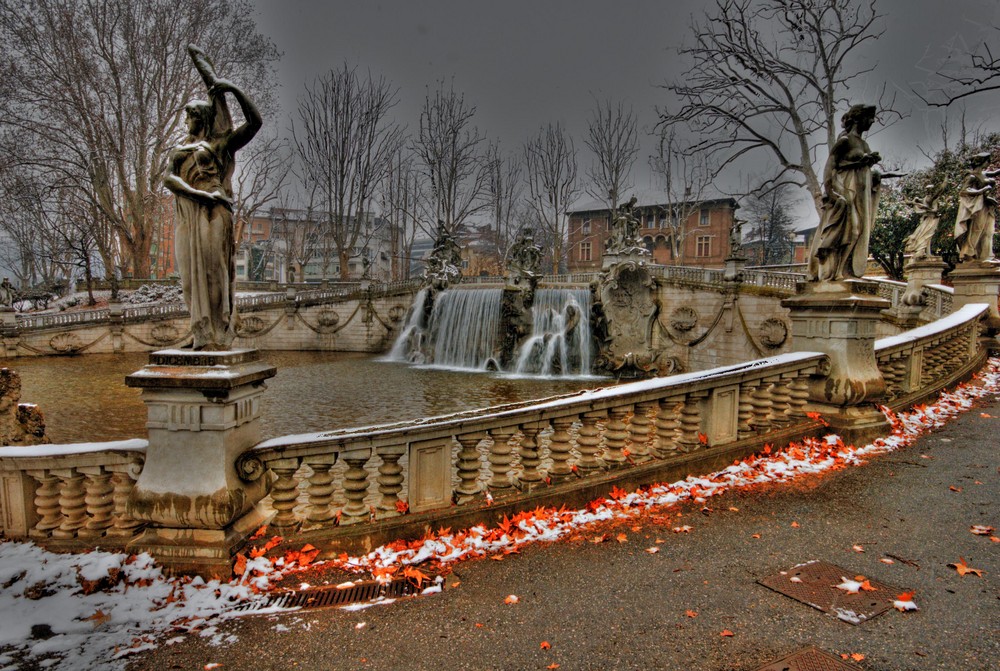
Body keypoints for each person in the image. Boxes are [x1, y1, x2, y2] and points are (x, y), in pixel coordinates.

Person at [164, 45, 261, 350]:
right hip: (190, 212)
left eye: (191, 116)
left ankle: (218, 332)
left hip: (214, 211)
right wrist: (194, 193)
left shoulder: (220, 146)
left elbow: (255, 122)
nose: (186, 122)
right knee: (190, 276)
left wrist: (232, 89)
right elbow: (169, 179)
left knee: (213, 271)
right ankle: (200, 333)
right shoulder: (180, 151)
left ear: (202, 118)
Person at [808, 104, 890, 282]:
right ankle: (834, 272)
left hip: (859, 196)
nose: (872, 121)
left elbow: (862, 170)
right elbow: (830, 167)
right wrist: (831, 193)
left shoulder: (864, 144)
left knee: (858, 231)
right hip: (844, 191)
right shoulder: (845, 140)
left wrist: (873, 174)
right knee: (850, 231)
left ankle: (844, 271)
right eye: (869, 117)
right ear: (858, 118)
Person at [954, 152, 1000, 263]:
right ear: (981, 162)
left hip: (987, 205)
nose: (989, 163)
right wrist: (982, 191)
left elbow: (996, 172)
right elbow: (964, 191)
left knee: (988, 231)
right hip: (977, 207)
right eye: (988, 160)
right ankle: (968, 253)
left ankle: (986, 256)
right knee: (977, 229)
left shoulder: (984, 174)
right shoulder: (972, 176)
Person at [904, 180, 947, 261]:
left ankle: (928, 253)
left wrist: (925, 208)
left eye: (930, 189)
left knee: (927, 236)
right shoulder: (925, 198)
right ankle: (925, 252)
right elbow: (911, 202)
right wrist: (910, 200)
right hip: (926, 219)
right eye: (927, 189)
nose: (928, 191)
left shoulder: (933, 198)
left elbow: (935, 210)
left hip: (932, 219)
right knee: (922, 236)